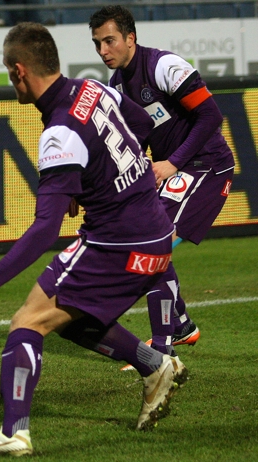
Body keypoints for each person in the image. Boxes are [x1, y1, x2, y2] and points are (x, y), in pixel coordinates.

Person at [0, 22, 188, 457]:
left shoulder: (59, 133)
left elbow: (44, 229)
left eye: (8, 71)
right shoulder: (94, 89)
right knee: (73, 320)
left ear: (19, 71)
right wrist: (99, 180)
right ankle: (156, 366)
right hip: (154, 236)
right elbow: (138, 124)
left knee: (28, 322)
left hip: (114, 243)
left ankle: (13, 433)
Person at [89, 6, 234, 361]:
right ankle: (181, 325)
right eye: (97, 44)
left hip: (207, 166)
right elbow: (135, 142)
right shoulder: (118, 85)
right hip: (176, 169)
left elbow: (211, 115)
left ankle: (162, 349)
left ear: (130, 38)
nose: (103, 50)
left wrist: (172, 162)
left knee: (153, 245)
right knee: (140, 239)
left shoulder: (164, 67)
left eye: (109, 41)